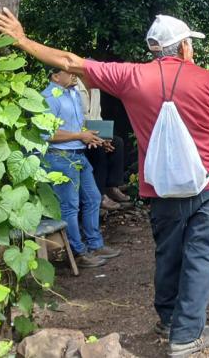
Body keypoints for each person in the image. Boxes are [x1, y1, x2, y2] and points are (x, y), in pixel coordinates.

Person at [0, 10, 209, 357]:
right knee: (203, 255)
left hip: (161, 190)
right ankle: (185, 336)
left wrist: (20, 39)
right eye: (190, 44)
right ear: (184, 47)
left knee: (168, 253)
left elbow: (70, 62)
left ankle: (169, 321)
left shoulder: (131, 77)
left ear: (155, 49)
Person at [41, 68, 122, 269]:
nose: (74, 75)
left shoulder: (74, 93)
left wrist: (95, 138)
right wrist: (79, 136)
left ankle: (95, 245)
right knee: (70, 206)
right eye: (68, 72)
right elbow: (47, 134)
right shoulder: (49, 98)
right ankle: (78, 253)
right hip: (59, 157)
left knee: (93, 198)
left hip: (78, 154)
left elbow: (77, 126)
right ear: (55, 76)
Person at [77, 79, 130, 206]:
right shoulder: (75, 88)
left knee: (116, 142)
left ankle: (112, 186)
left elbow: (97, 115)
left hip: (95, 131)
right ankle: (100, 194)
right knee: (98, 148)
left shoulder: (95, 88)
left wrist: (104, 136)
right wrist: (95, 137)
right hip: (80, 134)